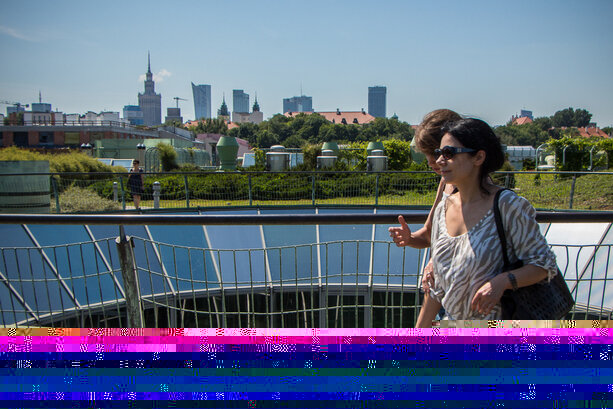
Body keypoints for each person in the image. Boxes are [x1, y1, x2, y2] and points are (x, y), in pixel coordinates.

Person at [415, 118, 558, 326]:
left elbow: (544, 264)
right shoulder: (441, 211)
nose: (439, 161)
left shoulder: (509, 206)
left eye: (449, 153)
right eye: (439, 153)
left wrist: (502, 282)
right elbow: (437, 290)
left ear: (479, 157)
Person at [388, 109, 462, 295]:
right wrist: (410, 238)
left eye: (436, 152)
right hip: (445, 291)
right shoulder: (445, 183)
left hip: (475, 308)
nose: (431, 161)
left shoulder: (497, 201)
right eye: (429, 154)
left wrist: (436, 260)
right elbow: (430, 234)